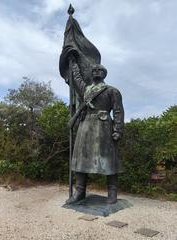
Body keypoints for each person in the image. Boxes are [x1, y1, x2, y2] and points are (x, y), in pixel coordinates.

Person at [67, 55, 124, 204]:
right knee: (81, 158)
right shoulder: (86, 89)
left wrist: (117, 130)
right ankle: (80, 191)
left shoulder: (112, 91)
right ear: (91, 74)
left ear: (104, 74)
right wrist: (73, 64)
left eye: (100, 70)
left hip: (103, 127)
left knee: (108, 159)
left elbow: (118, 111)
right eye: (94, 70)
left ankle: (112, 192)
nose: (97, 71)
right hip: (85, 125)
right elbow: (77, 79)